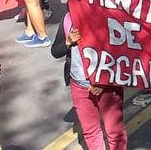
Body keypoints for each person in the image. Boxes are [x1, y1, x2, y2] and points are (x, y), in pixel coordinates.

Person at [53, 10, 128, 150]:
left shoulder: (109, 16)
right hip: (79, 85)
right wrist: (68, 41)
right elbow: (55, 51)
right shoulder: (68, 19)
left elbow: (121, 53)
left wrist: (102, 82)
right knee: (90, 131)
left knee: (114, 130)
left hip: (107, 85)